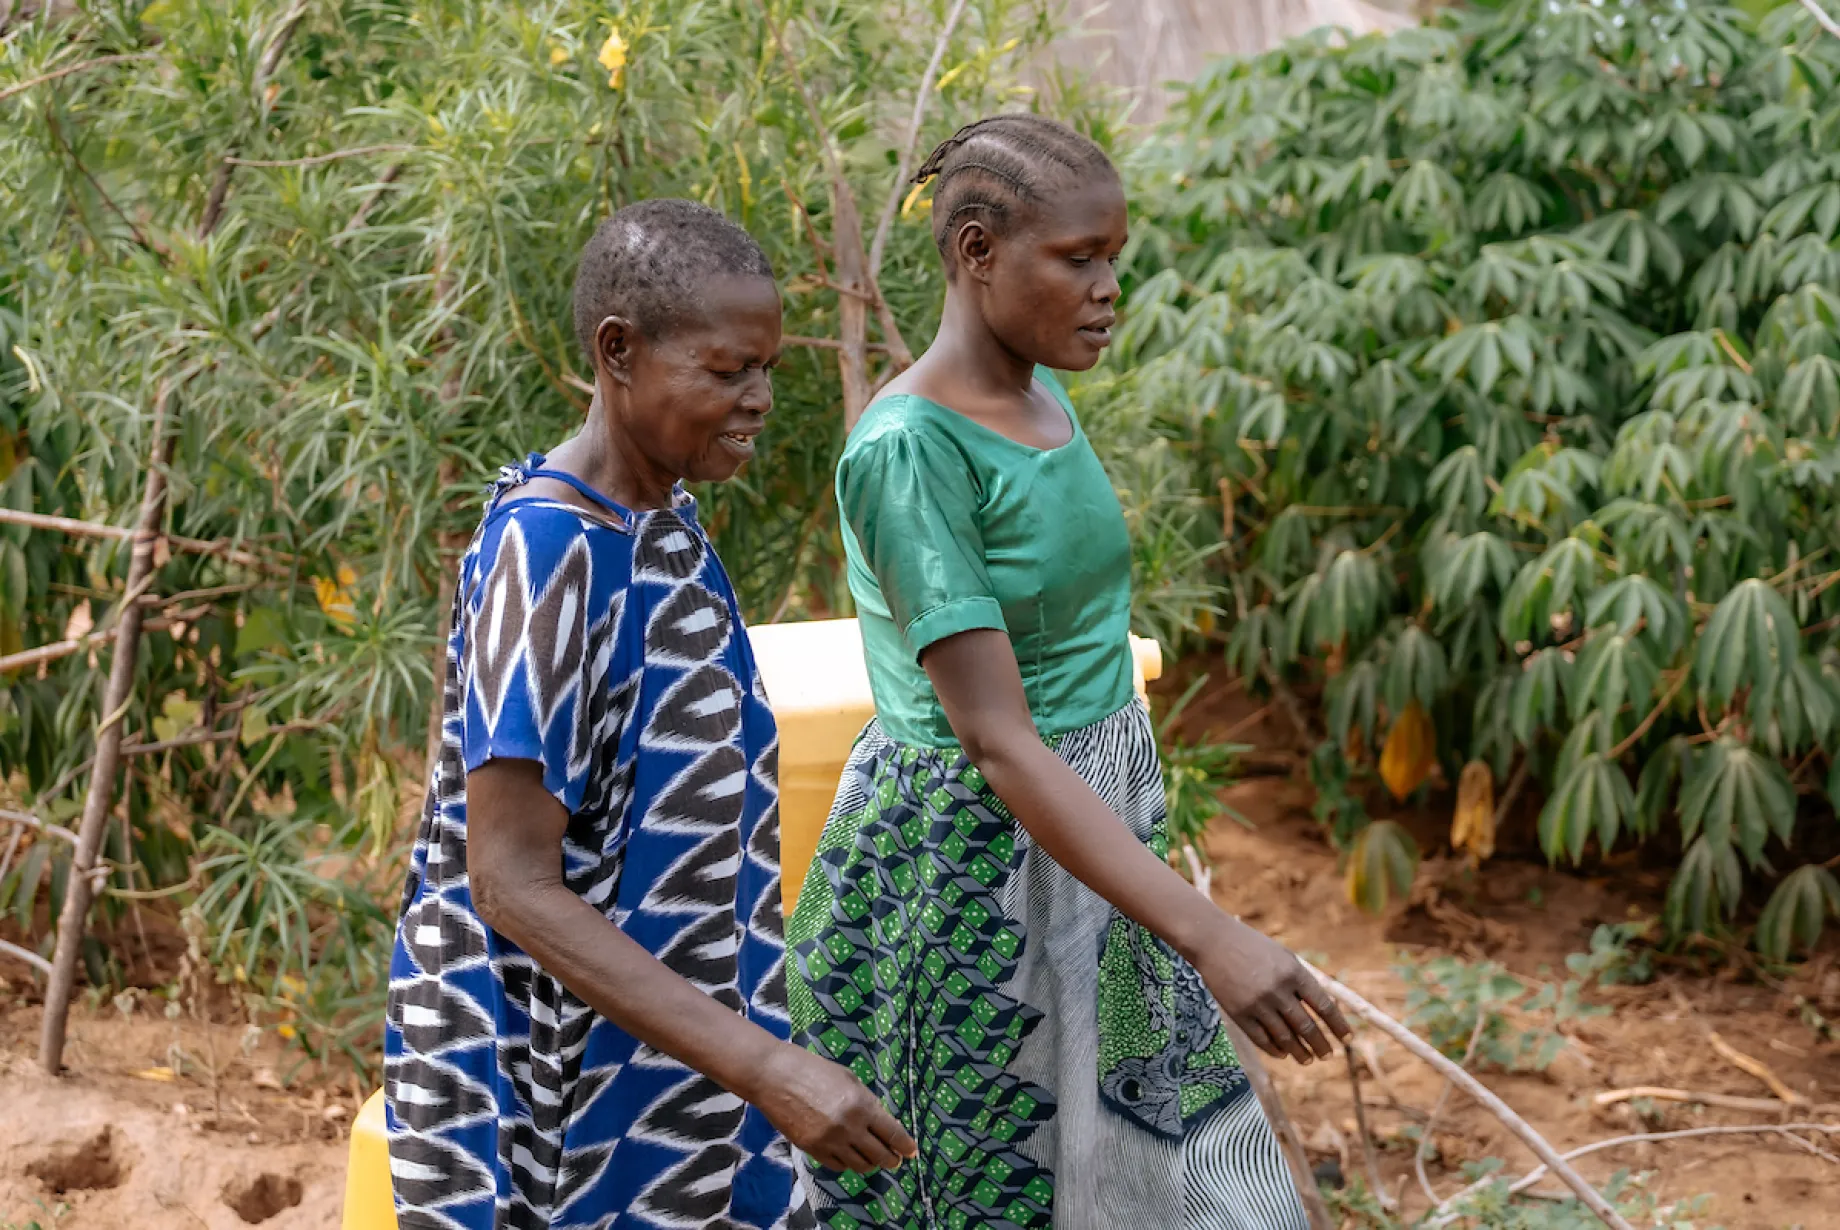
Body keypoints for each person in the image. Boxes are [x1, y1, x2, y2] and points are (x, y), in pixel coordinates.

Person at [785, 116, 1352, 1229]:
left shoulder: (1041, 401)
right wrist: (1210, 933)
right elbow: (996, 738)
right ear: (978, 250)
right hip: (974, 885)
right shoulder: (911, 452)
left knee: (1155, 1185)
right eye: (1078, 258)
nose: (1107, 289)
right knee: (1000, 1187)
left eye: (1114, 258)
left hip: (1094, 851)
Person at [384, 199, 915, 1230]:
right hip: (542, 1072)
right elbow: (509, 883)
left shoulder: (664, 522)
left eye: (767, 368)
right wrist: (767, 1067)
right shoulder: (550, 555)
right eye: (727, 371)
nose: (760, 398)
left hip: (671, 1047)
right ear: (617, 351)